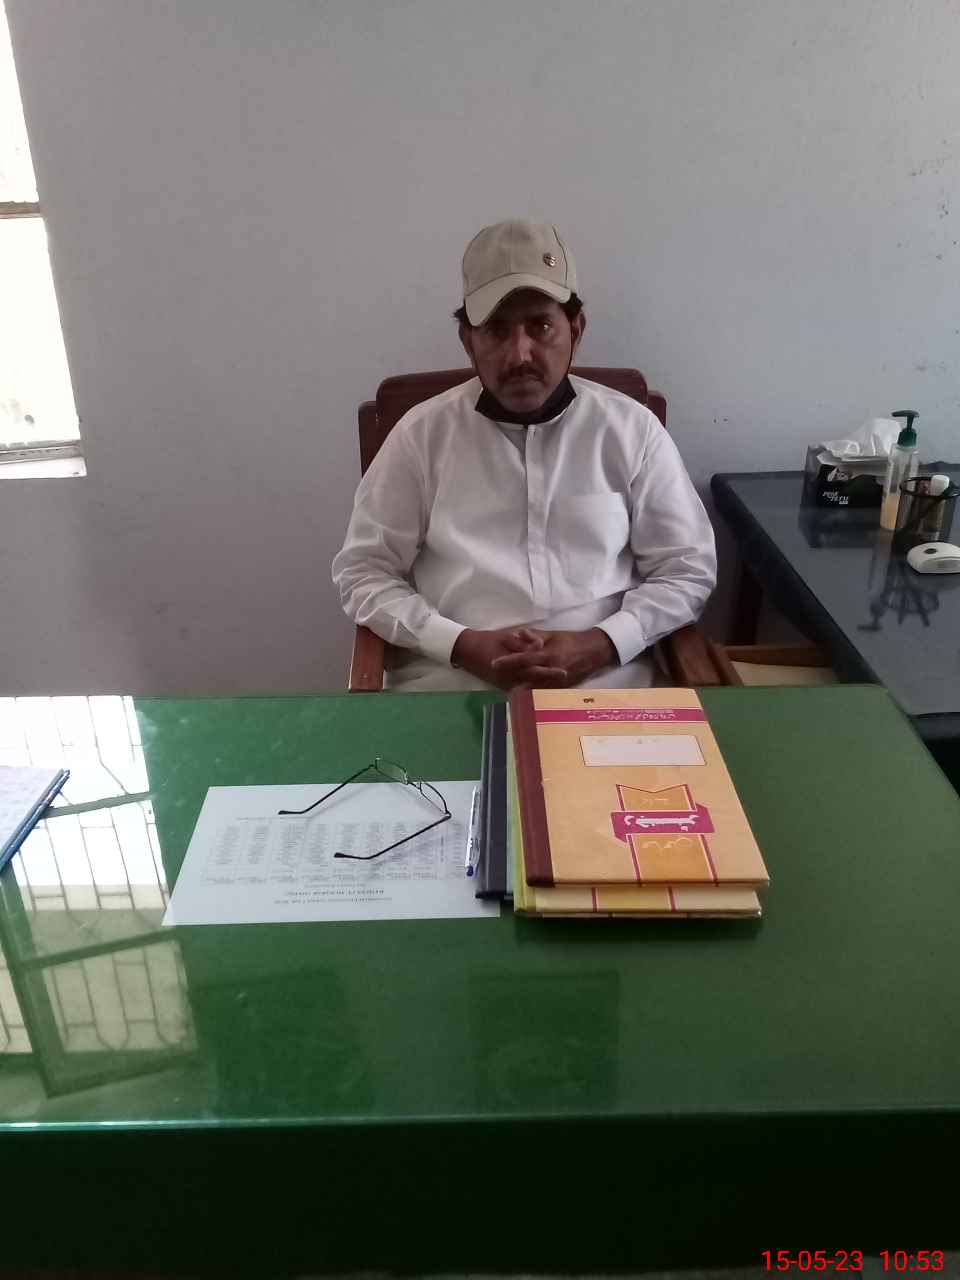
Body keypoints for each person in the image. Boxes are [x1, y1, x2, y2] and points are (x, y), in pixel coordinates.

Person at [332, 219, 717, 691]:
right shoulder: (420, 436)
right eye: (496, 330)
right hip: (451, 682)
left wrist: (602, 642)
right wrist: (460, 644)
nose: (519, 355)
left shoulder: (632, 431)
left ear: (576, 329)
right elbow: (363, 572)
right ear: (468, 341)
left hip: (608, 685)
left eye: (541, 326)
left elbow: (686, 569)